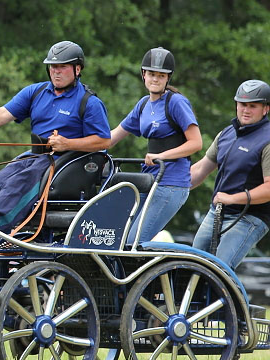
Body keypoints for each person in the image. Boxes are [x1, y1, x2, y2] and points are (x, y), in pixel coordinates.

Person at [0, 41, 111, 230]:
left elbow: (104, 141)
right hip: (33, 157)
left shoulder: (89, 102)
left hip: (62, 164)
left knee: (16, 186)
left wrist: (67, 144)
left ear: (77, 69)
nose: (56, 71)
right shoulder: (36, 92)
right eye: (53, 66)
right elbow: (3, 113)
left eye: (62, 67)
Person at [109, 47, 202, 244]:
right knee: (116, 238)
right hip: (149, 181)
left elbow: (196, 143)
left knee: (132, 243)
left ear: (168, 78)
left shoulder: (176, 102)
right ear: (143, 74)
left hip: (171, 184)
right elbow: (111, 138)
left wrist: (163, 156)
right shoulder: (143, 105)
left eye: (161, 75)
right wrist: (77, 146)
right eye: (151, 74)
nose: (155, 79)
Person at [190, 80, 270, 267]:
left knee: (219, 269)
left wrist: (232, 199)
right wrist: (168, 184)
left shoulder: (267, 140)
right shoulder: (227, 134)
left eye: (253, 106)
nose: (246, 110)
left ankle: (230, 297)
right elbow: (200, 170)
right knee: (193, 266)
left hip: (249, 217)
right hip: (216, 212)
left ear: (265, 109)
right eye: (242, 104)